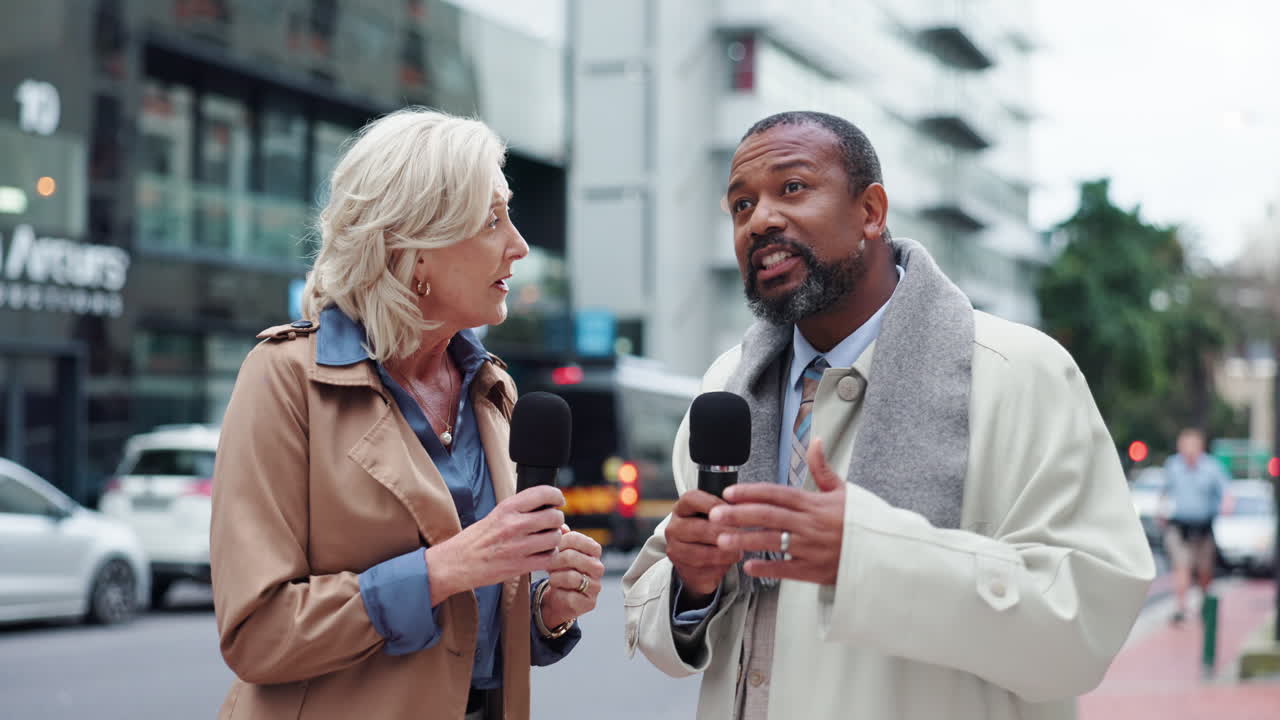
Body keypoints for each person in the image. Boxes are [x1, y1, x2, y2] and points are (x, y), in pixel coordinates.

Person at [621, 111, 1155, 719]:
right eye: (741, 206)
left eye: (791, 187)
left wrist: (869, 555)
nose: (760, 219)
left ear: (871, 212)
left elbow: (1081, 632)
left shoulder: (1019, 373)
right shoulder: (725, 390)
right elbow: (662, 621)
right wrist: (693, 584)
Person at [210, 108, 604, 720]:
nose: (519, 245)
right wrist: (443, 570)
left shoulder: (491, 387)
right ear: (417, 247)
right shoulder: (285, 376)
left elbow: (472, 627)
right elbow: (258, 633)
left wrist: (545, 611)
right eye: (493, 219)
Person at [1159, 427, 1231, 624]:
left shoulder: (1212, 467)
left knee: (1204, 571)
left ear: (1200, 447)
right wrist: (1161, 511)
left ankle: (1203, 605)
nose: (1188, 450)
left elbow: (1226, 490)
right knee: (1181, 566)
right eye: (1184, 445)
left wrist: (1226, 504)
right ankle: (1181, 609)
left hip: (1204, 526)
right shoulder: (1172, 466)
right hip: (1180, 526)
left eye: (1192, 445)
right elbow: (1164, 491)